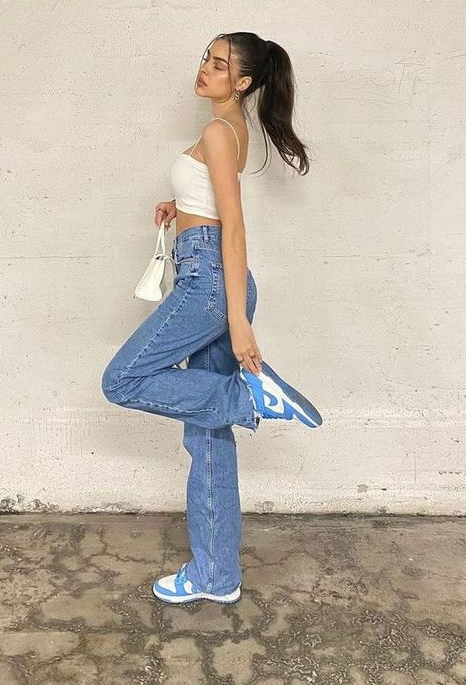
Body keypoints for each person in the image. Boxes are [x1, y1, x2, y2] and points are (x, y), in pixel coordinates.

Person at [101, 32, 323, 605]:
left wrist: (237, 320)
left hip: (207, 285)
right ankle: (217, 576)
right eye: (206, 57)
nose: (205, 68)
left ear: (243, 82)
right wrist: (181, 211)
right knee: (208, 441)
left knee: (122, 380)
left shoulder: (217, 134)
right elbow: (210, 206)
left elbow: (234, 224)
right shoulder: (229, 132)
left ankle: (250, 399)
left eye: (219, 64)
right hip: (207, 273)